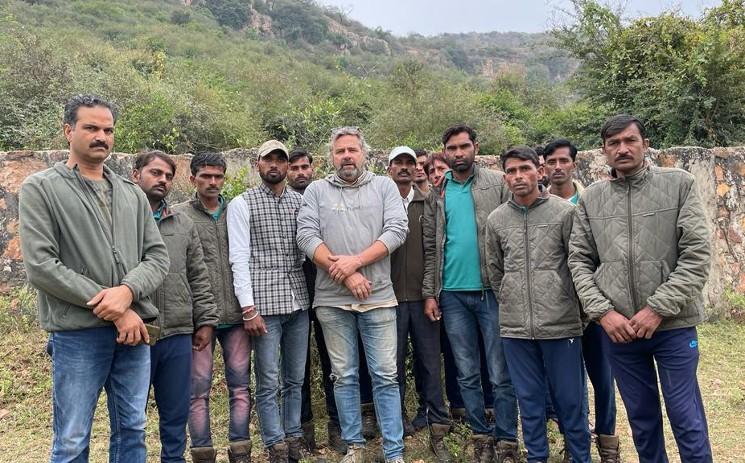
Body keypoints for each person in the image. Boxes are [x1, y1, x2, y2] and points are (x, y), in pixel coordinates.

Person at [19, 94, 169, 462]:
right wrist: (117, 308)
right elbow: (41, 265)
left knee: (133, 428)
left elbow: (157, 256)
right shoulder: (41, 189)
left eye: (108, 129)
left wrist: (128, 291)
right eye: (91, 128)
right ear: (69, 131)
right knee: (72, 438)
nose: (101, 136)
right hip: (78, 334)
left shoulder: (131, 193)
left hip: (133, 334)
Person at [569, 114, 713, 462]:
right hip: (620, 332)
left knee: (685, 417)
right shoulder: (592, 199)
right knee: (642, 421)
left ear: (645, 144)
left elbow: (697, 254)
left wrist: (657, 309)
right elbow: (579, 261)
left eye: (630, 140)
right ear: (603, 151)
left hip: (673, 326)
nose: (622, 148)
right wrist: (603, 313)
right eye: (613, 143)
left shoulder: (679, 184)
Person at [296, 126, 408, 463]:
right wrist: (346, 275)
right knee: (343, 376)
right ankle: (355, 447)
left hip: (378, 298)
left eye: (352, 150)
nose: (347, 156)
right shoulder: (316, 191)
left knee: (386, 376)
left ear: (364, 154)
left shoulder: (384, 186)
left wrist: (356, 263)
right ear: (331, 157)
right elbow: (306, 236)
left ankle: (394, 452)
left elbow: (397, 230)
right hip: (332, 301)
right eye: (340, 151)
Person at [486, 146, 590, 463]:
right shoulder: (496, 220)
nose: (519, 176)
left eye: (525, 169)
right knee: (529, 402)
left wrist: (574, 311)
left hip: (561, 325)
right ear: (505, 177)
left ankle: (580, 456)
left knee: (570, 401)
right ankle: (537, 457)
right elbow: (495, 271)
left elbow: (580, 264)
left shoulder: (564, 213)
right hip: (516, 329)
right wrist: (510, 296)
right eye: (512, 171)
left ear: (539, 171)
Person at [422, 125, 519, 462]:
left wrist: (510, 284)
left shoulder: (497, 183)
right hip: (452, 294)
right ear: (444, 151)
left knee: (500, 371)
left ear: (476, 147)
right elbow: (432, 247)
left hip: (492, 292)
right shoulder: (439, 193)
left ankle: (507, 439)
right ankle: (480, 434)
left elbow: (513, 236)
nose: (459, 152)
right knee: (466, 371)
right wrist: (430, 293)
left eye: (464, 146)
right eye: (452, 148)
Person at [132, 151, 219, 463]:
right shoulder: (120, 220)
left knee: (175, 413)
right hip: (135, 332)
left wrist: (206, 320)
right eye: (155, 173)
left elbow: (199, 274)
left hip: (179, 332)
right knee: (132, 416)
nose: (162, 180)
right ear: (135, 174)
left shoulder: (182, 223)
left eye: (168, 176)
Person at [228, 140, 311, 463]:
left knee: (295, 377)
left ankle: (293, 438)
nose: (274, 165)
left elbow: (306, 249)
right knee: (268, 380)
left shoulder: (299, 202)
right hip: (263, 305)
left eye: (281, 160)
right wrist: (248, 308)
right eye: (268, 160)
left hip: (297, 301)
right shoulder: (242, 203)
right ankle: (274, 442)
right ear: (257, 164)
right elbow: (239, 257)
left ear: (288, 166)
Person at [544, 139, 620, 461]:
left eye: (564, 161)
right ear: (543, 166)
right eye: (552, 161)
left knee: (602, 378)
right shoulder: (537, 205)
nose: (558, 167)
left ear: (574, 165)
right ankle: (575, 441)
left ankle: (608, 443)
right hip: (559, 309)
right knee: (568, 385)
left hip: (597, 307)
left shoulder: (595, 200)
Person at [176, 152, 253, 463]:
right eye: (205, 176)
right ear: (192, 178)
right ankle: (202, 450)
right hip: (200, 320)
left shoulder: (235, 211)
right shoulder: (181, 216)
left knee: (240, 387)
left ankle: (240, 449)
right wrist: (196, 315)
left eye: (218, 176)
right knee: (198, 390)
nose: (212, 182)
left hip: (236, 316)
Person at [387, 146, 452, 461]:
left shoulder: (428, 204)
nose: (403, 168)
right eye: (397, 163)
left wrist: (430, 293)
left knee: (428, 360)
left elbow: (433, 252)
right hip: (388, 299)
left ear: (417, 170)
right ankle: (396, 416)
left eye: (409, 164)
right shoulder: (380, 202)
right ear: (388, 168)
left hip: (422, 296)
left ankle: (435, 415)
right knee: (393, 364)